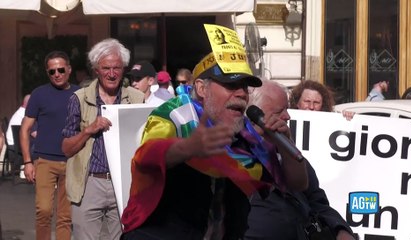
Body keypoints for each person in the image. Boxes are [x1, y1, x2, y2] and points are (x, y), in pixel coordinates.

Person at [120, 51, 308, 240]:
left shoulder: (247, 135)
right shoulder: (176, 116)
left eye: (244, 87)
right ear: (202, 89)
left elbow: (298, 183)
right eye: (231, 85)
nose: (242, 93)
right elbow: (148, 156)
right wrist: (187, 148)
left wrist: (285, 143)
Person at [245, 79, 355, 240]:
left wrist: (340, 229)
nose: (287, 116)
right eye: (279, 111)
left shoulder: (288, 151)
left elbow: (317, 200)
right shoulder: (235, 151)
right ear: (255, 115)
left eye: (287, 109)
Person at [62, 38, 144, 240]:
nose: (112, 73)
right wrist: (89, 130)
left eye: (117, 68)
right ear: (96, 70)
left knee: (125, 237)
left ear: (123, 69)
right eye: (106, 68)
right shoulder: (79, 99)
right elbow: (66, 149)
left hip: (125, 183)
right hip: (89, 183)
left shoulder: (136, 98)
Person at [20, 50, 79, 240]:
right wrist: (28, 162)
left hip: (72, 162)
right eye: (52, 71)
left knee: (65, 216)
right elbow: (25, 129)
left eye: (61, 69)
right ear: (48, 73)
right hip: (44, 161)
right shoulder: (39, 94)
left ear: (69, 69)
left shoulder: (79, 94)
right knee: (43, 211)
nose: (57, 74)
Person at [290, 80, 355, 120]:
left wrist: (347, 118)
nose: (311, 107)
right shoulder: (286, 121)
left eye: (316, 102)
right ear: (297, 103)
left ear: (323, 105)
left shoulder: (332, 122)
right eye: (307, 101)